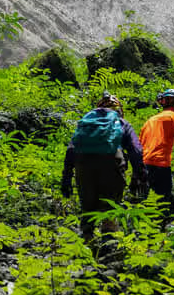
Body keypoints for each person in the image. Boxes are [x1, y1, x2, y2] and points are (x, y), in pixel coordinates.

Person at [61, 93, 145, 244]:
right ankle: (109, 240)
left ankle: (87, 239)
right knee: (110, 203)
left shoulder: (86, 124)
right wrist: (140, 175)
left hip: (83, 164)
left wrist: (66, 179)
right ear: (118, 110)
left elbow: (71, 149)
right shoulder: (121, 123)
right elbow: (136, 151)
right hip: (112, 163)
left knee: (87, 203)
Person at [140, 88, 174, 221]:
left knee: (150, 205)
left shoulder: (150, 120)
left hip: (143, 166)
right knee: (161, 209)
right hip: (160, 165)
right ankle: (161, 235)